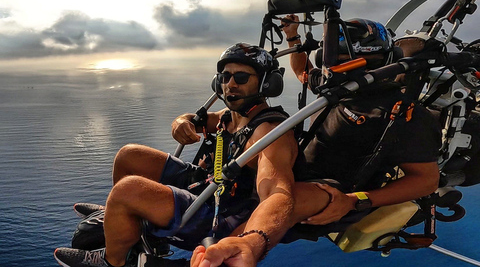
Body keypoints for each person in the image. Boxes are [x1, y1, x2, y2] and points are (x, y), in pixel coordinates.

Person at [54, 43, 300, 267]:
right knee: (128, 156)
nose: (230, 84)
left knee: (127, 190)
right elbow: (192, 119)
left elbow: (277, 193)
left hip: (220, 212)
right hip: (207, 184)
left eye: (241, 77)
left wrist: (251, 243)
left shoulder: (270, 134)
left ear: (266, 84)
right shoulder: (232, 116)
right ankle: (121, 218)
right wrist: (180, 122)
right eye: (225, 77)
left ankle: (114, 260)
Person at [277, 14, 442, 239]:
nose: (329, 69)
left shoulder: (399, 113)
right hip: (292, 175)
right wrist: (292, 36)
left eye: (340, 62)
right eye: (330, 61)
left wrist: (356, 201)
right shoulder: (336, 85)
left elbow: (426, 180)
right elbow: (302, 72)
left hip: (327, 197)